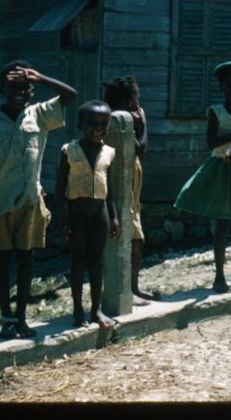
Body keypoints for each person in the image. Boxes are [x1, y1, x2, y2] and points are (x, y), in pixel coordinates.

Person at [0, 60, 76, 339]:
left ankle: (22, 317)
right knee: (1, 260)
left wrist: (39, 76)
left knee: (26, 260)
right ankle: (6, 318)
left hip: (30, 201)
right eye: (13, 86)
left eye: (25, 87)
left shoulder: (40, 115)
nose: (19, 91)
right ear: (2, 89)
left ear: (31, 91)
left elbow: (70, 95)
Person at [174, 61, 231, 293]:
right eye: (229, 86)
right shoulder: (216, 112)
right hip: (221, 169)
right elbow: (212, 142)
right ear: (221, 87)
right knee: (223, 223)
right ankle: (219, 277)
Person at [56, 100, 120, 329]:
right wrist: (62, 219)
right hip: (76, 213)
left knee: (96, 260)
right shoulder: (69, 151)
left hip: (99, 212)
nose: (98, 128)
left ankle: (96, 310)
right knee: (78, 260)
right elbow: (60, 187)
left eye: (103, 124)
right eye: (92, 123)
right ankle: (77, 311)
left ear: (109, 128)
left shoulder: (109, 153)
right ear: (80, 125)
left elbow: (108, 187)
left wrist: (113, 216)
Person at [102, 76, 160, 306]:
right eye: (136, 95)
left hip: (131, 183)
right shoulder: (119, 122)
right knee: (130, 238)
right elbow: (141, 148)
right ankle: (125, 289)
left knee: (137, 238)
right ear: (127, 100)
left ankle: (133, 287)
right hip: (120, 184)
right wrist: (143, 124)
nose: (139, 100)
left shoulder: (124, 120)